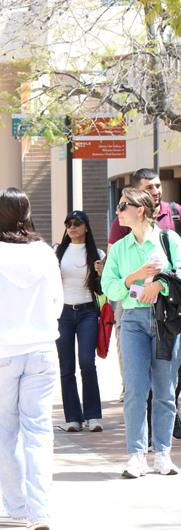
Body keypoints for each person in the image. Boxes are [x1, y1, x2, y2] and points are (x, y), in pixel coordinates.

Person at [0, 187, 63, 530]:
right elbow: (56, 305)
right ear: (26, 214)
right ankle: (40, 510)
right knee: (40, 431)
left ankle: (15, 507)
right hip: (41, 349)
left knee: (6, 432)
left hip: (0, 352)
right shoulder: (46, 253)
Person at [102, 188, 181, 478]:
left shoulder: (168, 240)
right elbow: (108, 286)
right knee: (135, 389)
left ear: (142, 210)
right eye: (119, 205)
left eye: (124, 206)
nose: (119, 211)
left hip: (166, 321)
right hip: (133, 320)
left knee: (165, 391)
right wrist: (133, 277)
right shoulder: (120, 248)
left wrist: (158, 285)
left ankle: (162, 453)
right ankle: (136, 455)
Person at [55, 210, 105, 432]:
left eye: (77, 223)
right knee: (66, 367)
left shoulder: (97, 253)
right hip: (63, 314)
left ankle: (93, 416)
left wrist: (103, 274)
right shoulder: (58, 252)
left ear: (86, 227)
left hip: (87, 312)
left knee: (87, 361)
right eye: (69, 223)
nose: (72, 227)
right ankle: (73, 418)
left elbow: (105, 290)